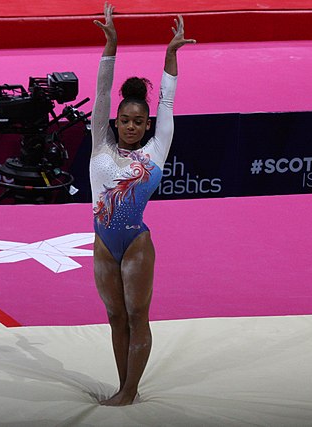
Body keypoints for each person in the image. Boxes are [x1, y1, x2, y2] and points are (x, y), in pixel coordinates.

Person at [90, 2, 195, 406]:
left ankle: (130, 392)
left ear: (146, 125)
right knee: (115, 317)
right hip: (101, 242)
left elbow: (166, 103)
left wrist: (170, 56)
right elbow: (102, 92)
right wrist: (111, 45)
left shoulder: (156, 150)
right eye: (124, 120)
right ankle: (122, 386)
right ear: (115, 121)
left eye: (137, 121)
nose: (130, 126)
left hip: (135, 243)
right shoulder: (101, 142)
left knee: (137, 316)